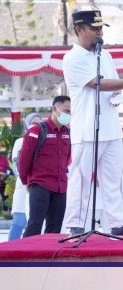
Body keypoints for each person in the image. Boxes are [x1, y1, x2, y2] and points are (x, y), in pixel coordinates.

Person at [62, 10, 123, 237]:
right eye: (95, 28)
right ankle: (76, 224)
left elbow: (113, 86)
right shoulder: (73, 58)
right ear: (79, 30)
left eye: (101, 28)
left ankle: (117, 222)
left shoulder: (105, 56)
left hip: (110, 127)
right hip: (87, 130)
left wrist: (119, 94)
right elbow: (97, 83)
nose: (100, 33)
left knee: (113, 179)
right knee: (81, 181)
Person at [19, 96, 71, 237]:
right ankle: (25, 257)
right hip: (40, 185)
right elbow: (23, 160)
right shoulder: (36, 131)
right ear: (54, 109)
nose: (69, 114)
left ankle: (49, 259)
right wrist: (26, 182)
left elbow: (68, 159)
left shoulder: (69, 133)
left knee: (55, 230)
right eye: (66, 110)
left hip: (61, 187)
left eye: (71, 111)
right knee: (35, 225)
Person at [7, 113, 42, 240]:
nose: (36, 125)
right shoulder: (20, 141)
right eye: (33, 123)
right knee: (19, 222)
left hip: (39, 187)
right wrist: (26, 180)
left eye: (39, 123)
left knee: (33, 224)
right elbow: (16, 165)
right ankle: (8, 253)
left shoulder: (43, 142)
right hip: (24, 187)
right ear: (27, 124)